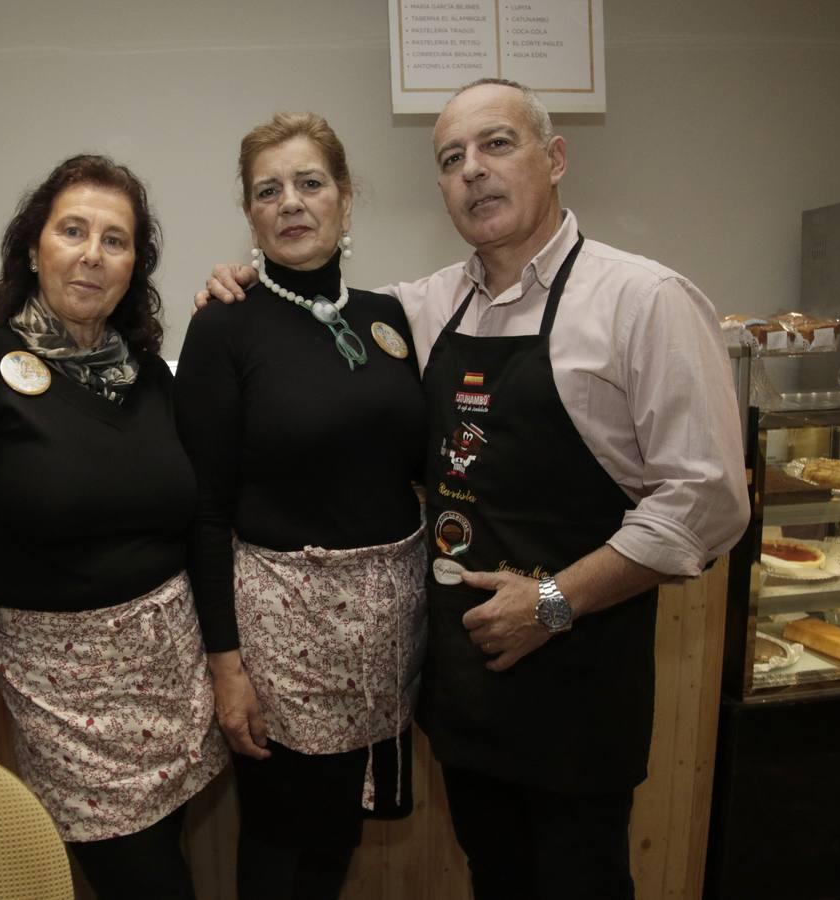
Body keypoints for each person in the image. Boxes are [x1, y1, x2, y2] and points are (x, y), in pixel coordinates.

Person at [199, 79, 750, 899]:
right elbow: (322, 328)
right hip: (465, 686)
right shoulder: (420, 309)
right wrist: (238, 288)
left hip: (577, 680)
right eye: (452, 158)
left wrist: (556, 600)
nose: (474, 172)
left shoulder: (643, 300)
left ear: (555, 159)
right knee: (495, 878)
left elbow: (705, 503)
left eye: (498, 145)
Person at [0, 155, 227, 900]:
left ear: (134, 266)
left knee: (164, 857)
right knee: (148, 883)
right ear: (32, 247)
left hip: (172, 676)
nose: (91, 254)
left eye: (115, 239)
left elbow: (194, 520)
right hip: (61, 690)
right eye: (72, 230)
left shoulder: (148, 378)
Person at [176, 113, 428, 900]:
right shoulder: (224, 325)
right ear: (250, 214)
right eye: (268, 190)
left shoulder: (392, 317)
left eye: (310, 183)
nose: (291, 202)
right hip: (279, 630)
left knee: (341, 829)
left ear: (346, 201)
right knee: (280, 834)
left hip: (385, 628)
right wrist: (227, 669)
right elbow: (204, 510)